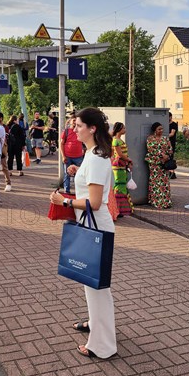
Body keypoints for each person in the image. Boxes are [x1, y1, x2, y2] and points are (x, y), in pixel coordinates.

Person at [49, 107, 116, 359]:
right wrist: (79, 174)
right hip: (93, 225)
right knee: (92, 283)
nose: (73, 129)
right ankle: (94, 323)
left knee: (98, 288)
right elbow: (91, 188)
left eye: (77, 125)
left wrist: (63, 202)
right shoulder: (92, 154)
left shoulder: (97, 157)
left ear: (92, 129)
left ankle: (103, 345)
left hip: (96, 226)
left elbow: (95, 202)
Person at [145, 122, 173, 209]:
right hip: (154, 163)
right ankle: (156, 201)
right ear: (155, 130)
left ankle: (166, 201)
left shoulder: (165, 138)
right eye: (159, 129)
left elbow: (170, 149)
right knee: (155, 182)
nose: (161, 130)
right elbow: (151, 149)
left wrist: (167, 156)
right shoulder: (150, 139)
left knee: (164, 182)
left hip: (164, 164)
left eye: (162, 129)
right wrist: (161, 155)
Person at [111, 122, 133, 216]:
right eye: (123, 128)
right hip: (118, 166)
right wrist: (129, 160)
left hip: (121, 165)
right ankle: (118, 209)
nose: (125, 130)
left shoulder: (118, 140)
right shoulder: (116, 141)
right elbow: (119, 154)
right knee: (119, 186)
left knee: (120, 185)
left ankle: (118, 209)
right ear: (119, 129)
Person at [60, 115, 84, 194]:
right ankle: (67, 191)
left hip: (78, 156)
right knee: (67, 174)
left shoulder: (81, 131)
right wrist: (63, 156)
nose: (74, 122)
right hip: (68, 157)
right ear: (70, 122)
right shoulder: (66, 131)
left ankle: (79, 192)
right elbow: (61, 143)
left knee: (80, 174)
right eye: (73, 120)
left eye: (76, 121)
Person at [0, 113, 12, 192]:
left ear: (1, 118)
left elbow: (5, 138)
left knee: (4, 166)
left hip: (2, 148)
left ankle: (8, 183)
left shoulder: (4, 127)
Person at [168, 112, 178, 179]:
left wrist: (163, 137)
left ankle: (172, 173)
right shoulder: (164, 123)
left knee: (171, 157)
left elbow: (172, 134)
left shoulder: (174, 124)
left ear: (171, 117)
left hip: (171, 143)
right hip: (165, 143)